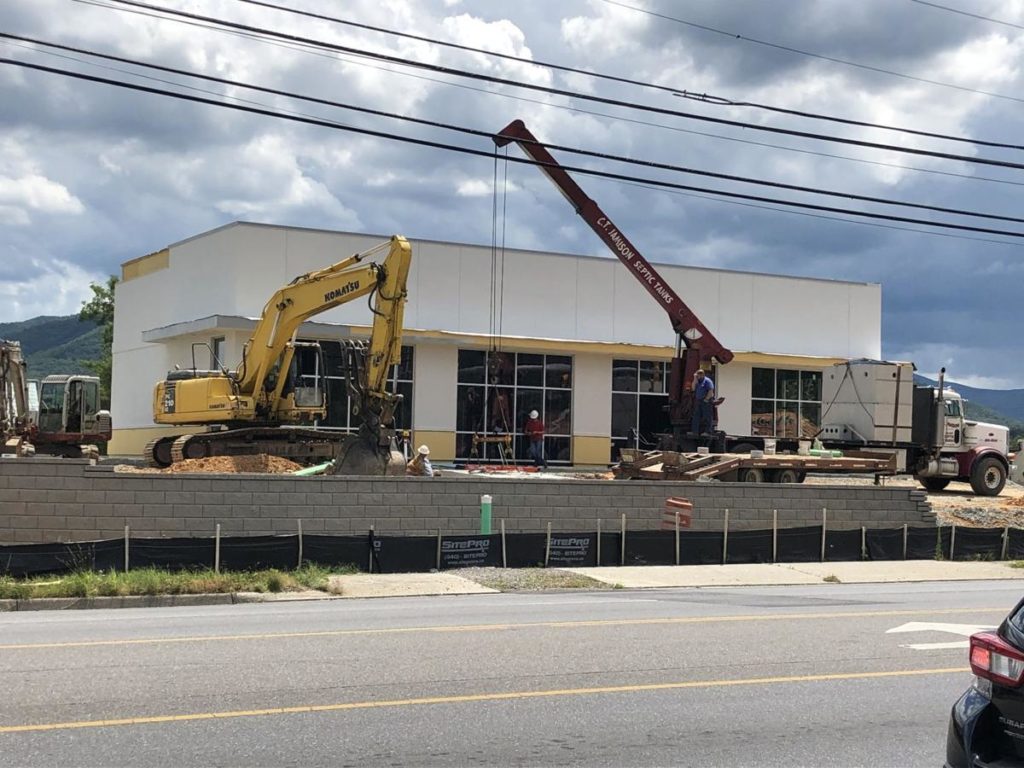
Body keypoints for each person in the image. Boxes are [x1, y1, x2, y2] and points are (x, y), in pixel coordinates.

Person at [691, 369, 715, 435]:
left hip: (706, 401)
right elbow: (693, 388)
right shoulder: (697, 381)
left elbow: (710, 391)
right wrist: (694, 379)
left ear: (702, 375)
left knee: (707, 416)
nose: (698, 376)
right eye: (697, 375)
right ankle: (694, 432)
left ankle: (707, 431)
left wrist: (706, 399)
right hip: (699, 401)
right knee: (696, 416)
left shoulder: (707, 381)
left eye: (699, 375)